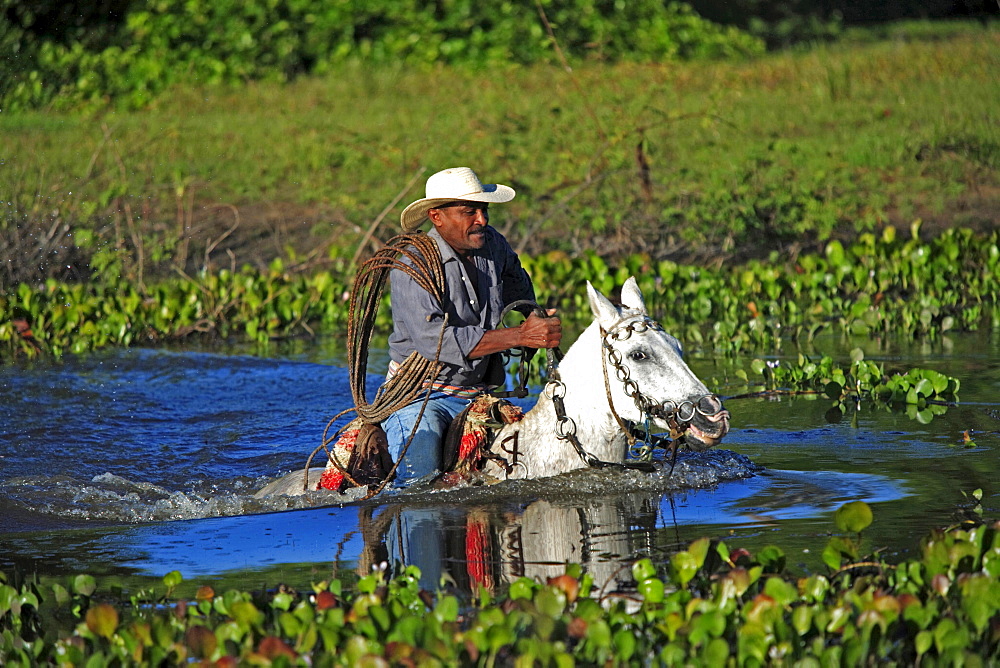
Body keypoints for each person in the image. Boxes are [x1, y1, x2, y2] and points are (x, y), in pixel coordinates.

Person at [381, 167, 562, 481]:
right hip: (421, 397)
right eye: (469, 212)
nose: (482, 220)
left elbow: (517, 282)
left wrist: (533, 315)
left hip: (478, 392)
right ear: (436, 217)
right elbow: (434, 341)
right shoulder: (413, 263)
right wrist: (521, 335)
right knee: (420, 480)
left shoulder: (492, 244)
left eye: (483, 210)